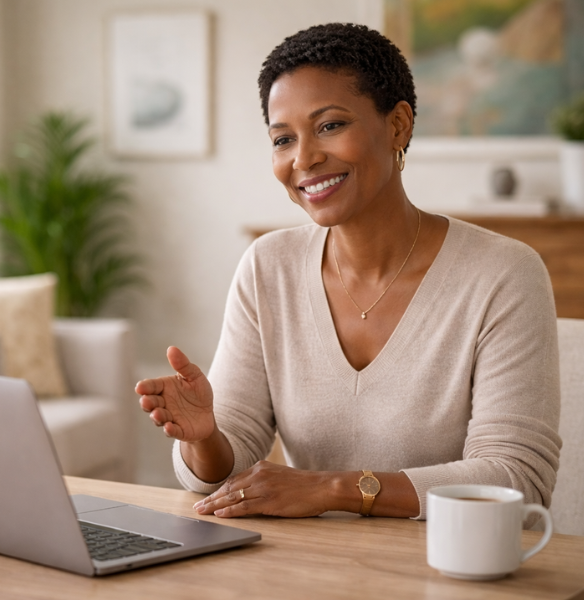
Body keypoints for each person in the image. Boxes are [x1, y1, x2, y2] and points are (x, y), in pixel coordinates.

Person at [135, 23, 561, 521]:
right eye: (283, 139)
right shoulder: (267, 266)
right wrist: (206, 438)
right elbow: (224, 472)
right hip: (316, 569)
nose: (305, 158)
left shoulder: (504, 274)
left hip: (454, 570)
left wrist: (334, 489)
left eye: (330, 125)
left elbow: (516, 478)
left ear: (398, 125)